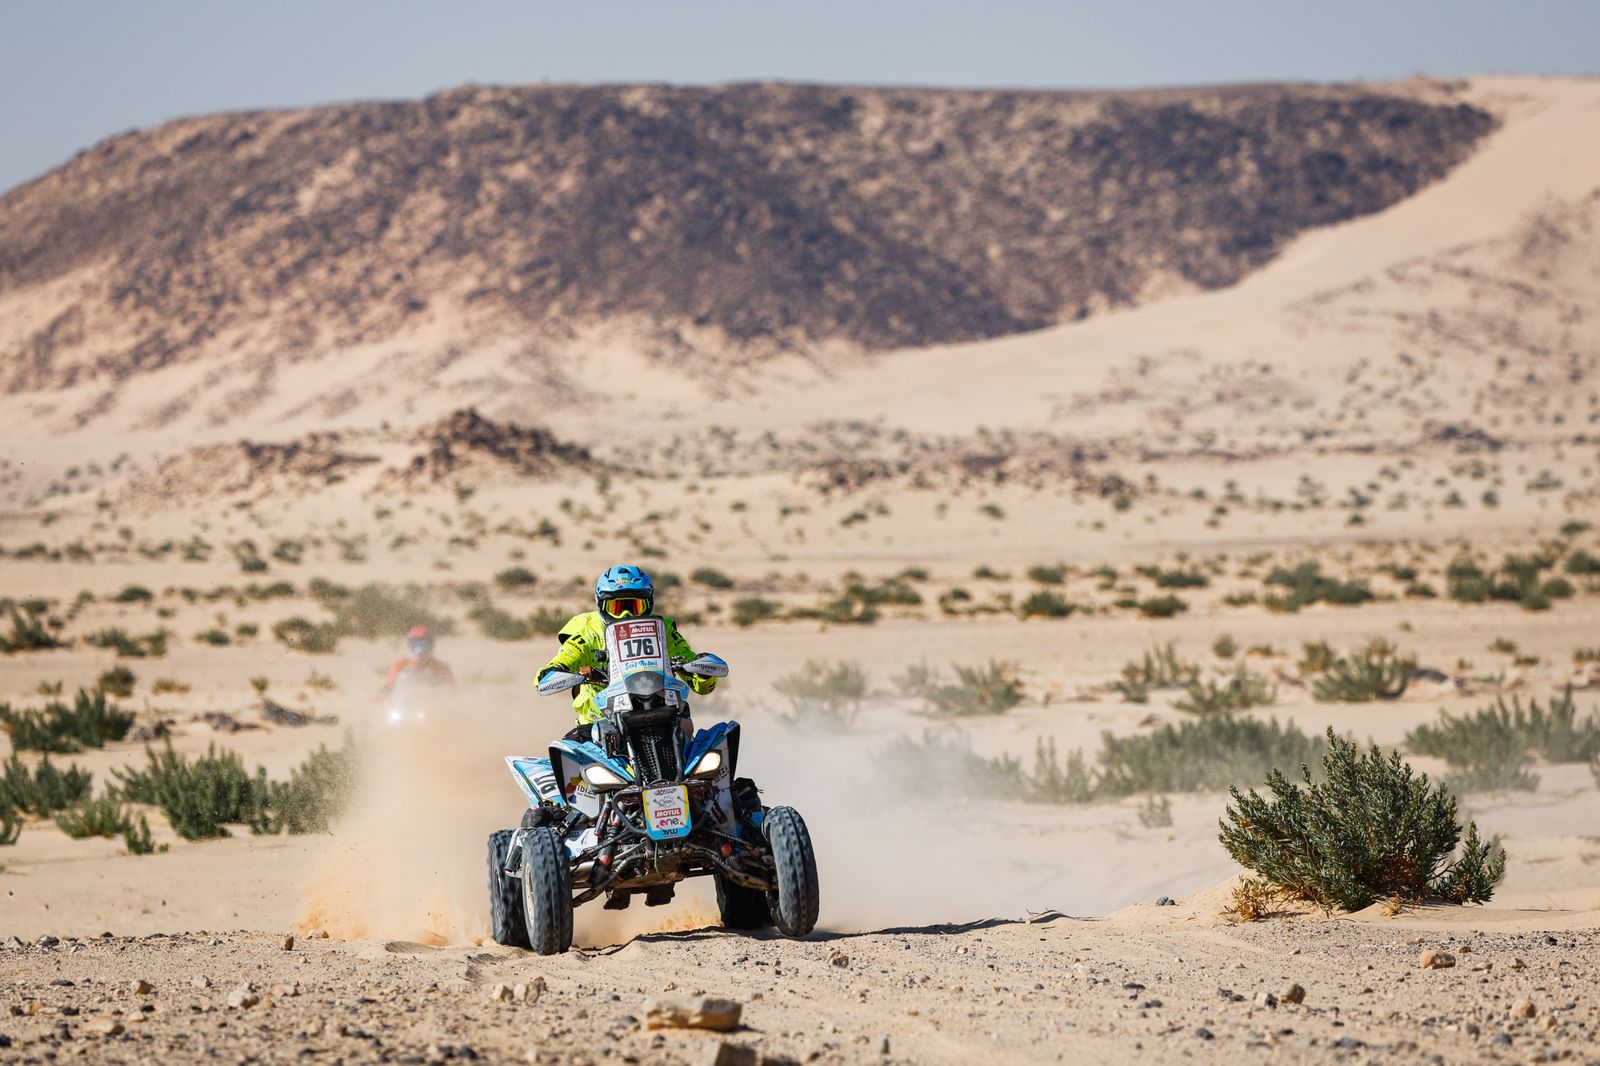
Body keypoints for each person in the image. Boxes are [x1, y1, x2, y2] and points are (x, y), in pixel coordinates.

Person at [538, 565, 717, 736]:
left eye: (634, 607)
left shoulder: (664, 630)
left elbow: (700, 681)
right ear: (601, 605)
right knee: (567, 750)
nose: (626, 615)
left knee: (714, 740)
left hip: (663, 713)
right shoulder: (587, 632)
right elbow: (566, 657)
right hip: (599, 722)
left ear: (648, 604)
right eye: (617, 608)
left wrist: (700, 669)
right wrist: (556, 669)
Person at [375, 624, 456, 700]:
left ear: (431, 645)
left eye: (424, 644)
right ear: (409, 645)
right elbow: (388, 685)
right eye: (414, 644)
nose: (419, 649)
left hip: (431, 706)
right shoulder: (400, 665)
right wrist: (379, 696)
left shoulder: (441, 667)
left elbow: (451, 692)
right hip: (405, 705)